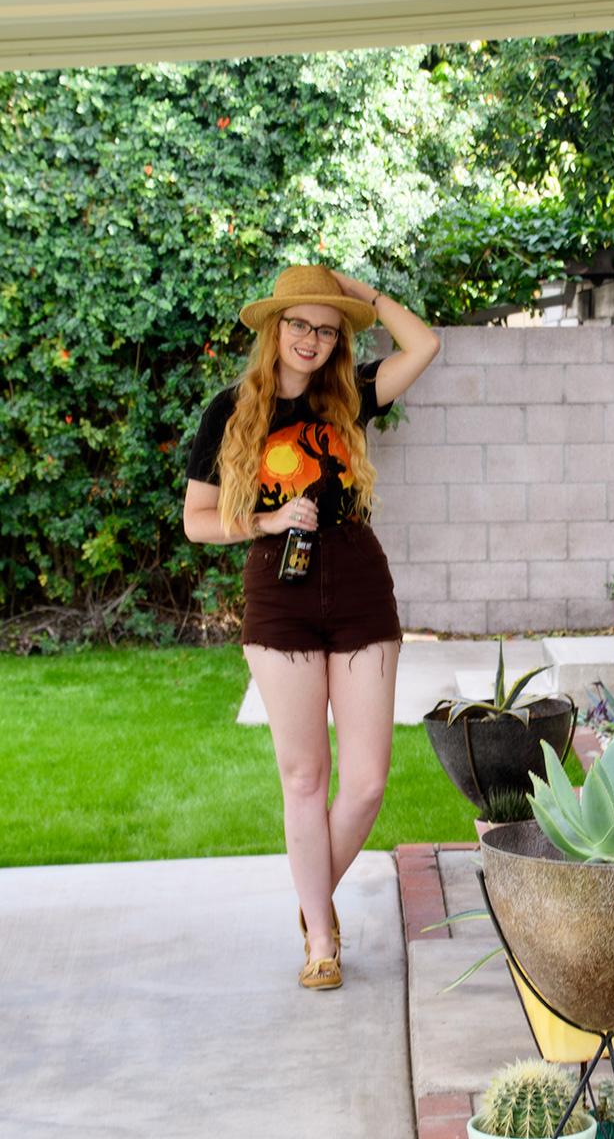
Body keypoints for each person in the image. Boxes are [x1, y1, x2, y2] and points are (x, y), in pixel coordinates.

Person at [184, 264, 440, 990]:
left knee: (364, 782)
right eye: (300, 324)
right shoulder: (229, 411)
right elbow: (197, 522)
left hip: (359, 583)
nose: (313, 340)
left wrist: (367, 298)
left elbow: (423, 347)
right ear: (275, 328)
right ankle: (321, 937)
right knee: (304, 775)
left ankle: (308, 898)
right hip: (280, 591)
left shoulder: (348, 397)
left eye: (326, 330)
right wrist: (265, 518)